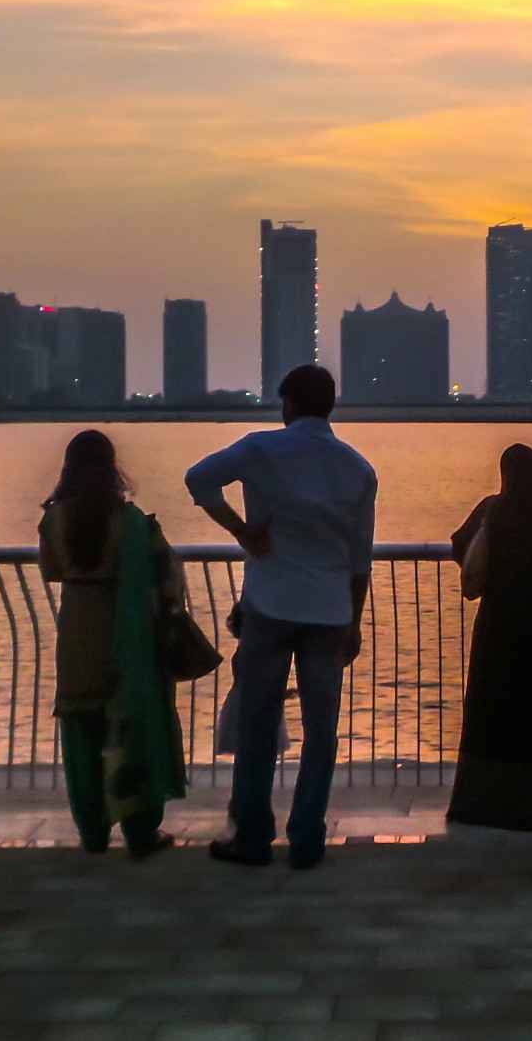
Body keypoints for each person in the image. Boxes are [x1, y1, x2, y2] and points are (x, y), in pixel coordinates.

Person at [186, 364, 376, 869]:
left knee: (257, 722)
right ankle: (307, 838)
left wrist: (242, 530)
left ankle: (250, 838)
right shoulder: (358, 468)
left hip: (269, 606)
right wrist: (354, 622)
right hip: (331, 611)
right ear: (331, 405)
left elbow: (199, 480)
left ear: (286, 403)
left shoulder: (260, 448)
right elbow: (360, 558)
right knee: (322, 730)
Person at [40, 430, 186, 856]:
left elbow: (51, 570)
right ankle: (141, 833)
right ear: (111, 467)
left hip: (78, 633)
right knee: (133, 730)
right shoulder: (132, 522)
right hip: (129, 636)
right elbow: (167, 576)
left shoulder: (54, 518)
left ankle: (93, 833)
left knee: (82, 737)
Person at [445, 445, 532, 829]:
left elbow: (460, 543)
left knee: (494, 711)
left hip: (498, 627)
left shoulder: (493, 508)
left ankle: (484, 802)